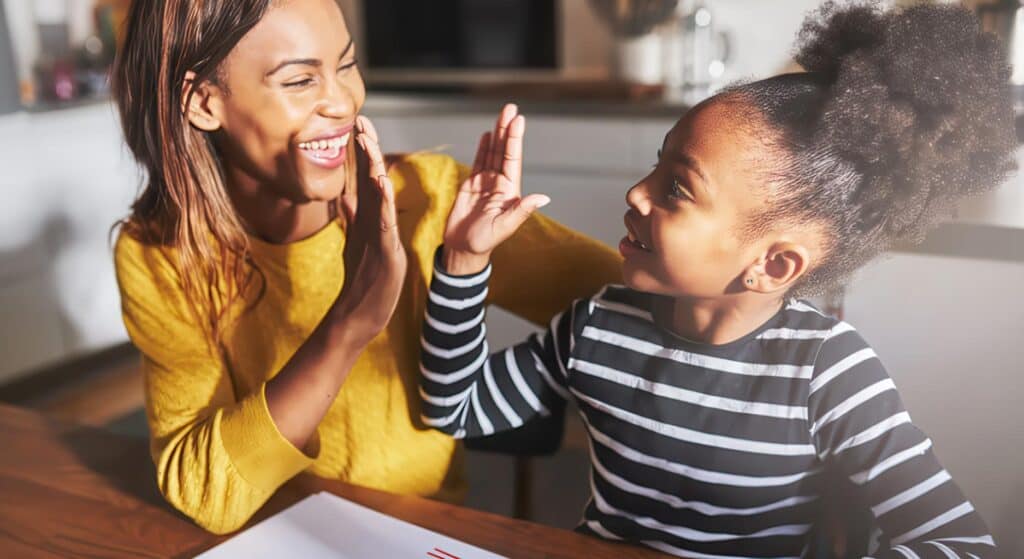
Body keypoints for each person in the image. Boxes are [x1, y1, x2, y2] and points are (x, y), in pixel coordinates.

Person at [418, 2, 1014, 557]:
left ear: (773, 265)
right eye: (657, 164)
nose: (636, 193)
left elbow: (960, 545)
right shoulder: (598, 323)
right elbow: (456, 409)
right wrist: (466, 262)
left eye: (677, 187)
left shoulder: (826, 372)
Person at [110, 0, 620, 534]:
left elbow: (647, 302)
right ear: (203, 102)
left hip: (423, 531)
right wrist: (349, 323)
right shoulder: (160, 254)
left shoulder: (432, 197)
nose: (343, 101)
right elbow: (206, 492)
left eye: (346, 65)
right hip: (270, 533)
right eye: (300, 81)